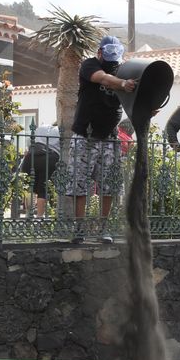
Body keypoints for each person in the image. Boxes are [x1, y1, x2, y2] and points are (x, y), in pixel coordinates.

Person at [66, 35, 137, 244]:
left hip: (110, 138)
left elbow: (134, 98)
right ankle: (79, 229)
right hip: (85, 136)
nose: (112, 62)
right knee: (79, 184)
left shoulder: (122, 70)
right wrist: (122, 83)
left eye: (115, 57)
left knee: (110, 185)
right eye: (109, 56)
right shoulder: (89, 65)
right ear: (99, 53)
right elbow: (103, 78)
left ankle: (103, 229)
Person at [19, 124, 60, 217]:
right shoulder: (59, 131)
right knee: (43, 189)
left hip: (32, 155)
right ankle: (39, 217)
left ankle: (29, 214)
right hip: (50, 158)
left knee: (30, 187)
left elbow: (29, 142)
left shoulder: (41, 128)